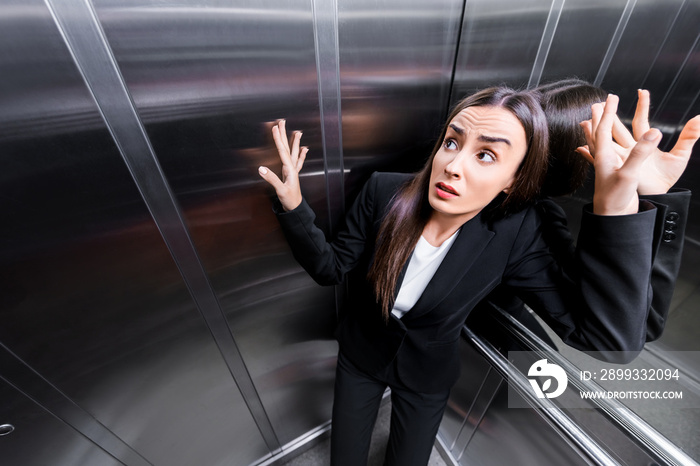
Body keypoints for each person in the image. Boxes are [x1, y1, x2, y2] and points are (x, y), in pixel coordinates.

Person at [257, 86, 678, 466]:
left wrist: (621, 206)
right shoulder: (385, 191)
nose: (453, 166)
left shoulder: (517, 234)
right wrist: (294, 205)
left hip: (428, 376)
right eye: (452, 142)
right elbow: (330, 268)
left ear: (514, 180)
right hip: (359, 358)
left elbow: (608, 341)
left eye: (486, 154)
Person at [474, 79, 699, 346]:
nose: (620, 155)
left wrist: (655, 197)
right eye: (604, 142)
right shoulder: (527, 223)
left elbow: (639, 326)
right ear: (578, 162)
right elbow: (619, 335)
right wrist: (617, 214)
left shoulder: (530, 218)